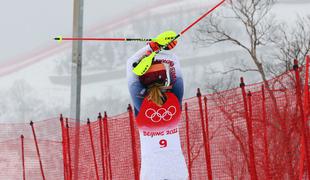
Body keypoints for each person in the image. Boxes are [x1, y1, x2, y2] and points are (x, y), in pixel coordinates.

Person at [127, 31, 188, 180]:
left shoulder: (140, 100)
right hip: (176, 166)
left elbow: (131, 66)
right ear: (166, 78)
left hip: (152, 168)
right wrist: (161, 50)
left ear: (143, 80)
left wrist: (152, 48)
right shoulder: (175, 97)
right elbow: (175, 65)